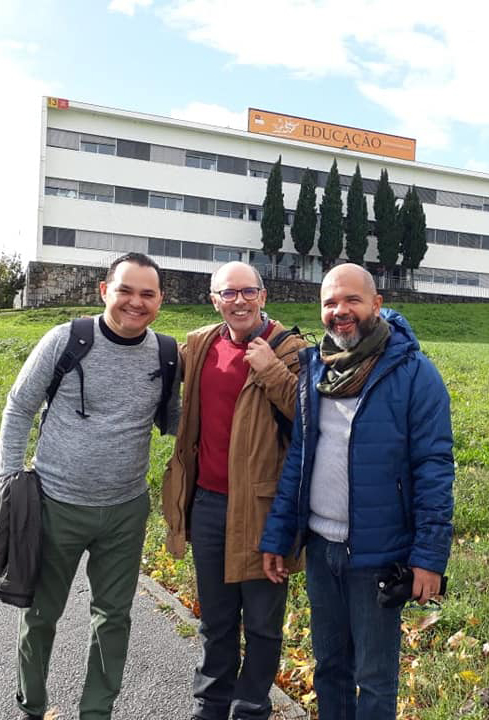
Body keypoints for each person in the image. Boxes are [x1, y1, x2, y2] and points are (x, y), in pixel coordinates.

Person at [260, 263, 455, 720]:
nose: (340, 311)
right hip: (320, 548)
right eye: (330, 302)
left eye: (352, 300)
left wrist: (429, 558)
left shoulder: (414, 374)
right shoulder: (315, 368)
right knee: (330, 668)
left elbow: (434, 469)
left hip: (378, 554)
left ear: (376, 305)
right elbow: (300, 458)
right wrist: (278, 536)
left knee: (375, 678)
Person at [0, 252, 181, 720]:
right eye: (125, 290)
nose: (135, 302)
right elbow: (19, 407)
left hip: (125, 511)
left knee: (113, 617)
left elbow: (177, 422)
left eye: (147, 294)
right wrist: (10, 482)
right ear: (104, 291)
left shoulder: (167, 353)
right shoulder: (66, 339)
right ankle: (32, 705)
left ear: (160, 300)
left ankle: (96, 712)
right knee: (40, 614)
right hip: (55, 504)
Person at [162, 261, 307, 720]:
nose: (239, 301)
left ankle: (251, 709)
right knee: (216, 619)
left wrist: (271, 372)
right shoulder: (200, 345)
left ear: (263, 296)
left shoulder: (292, 351)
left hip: (265, 508)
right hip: (208, 503)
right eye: (228, 293)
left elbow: (312, 420)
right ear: (214, 301)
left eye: (248, 291)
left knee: (262, 623)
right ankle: (210, 705)